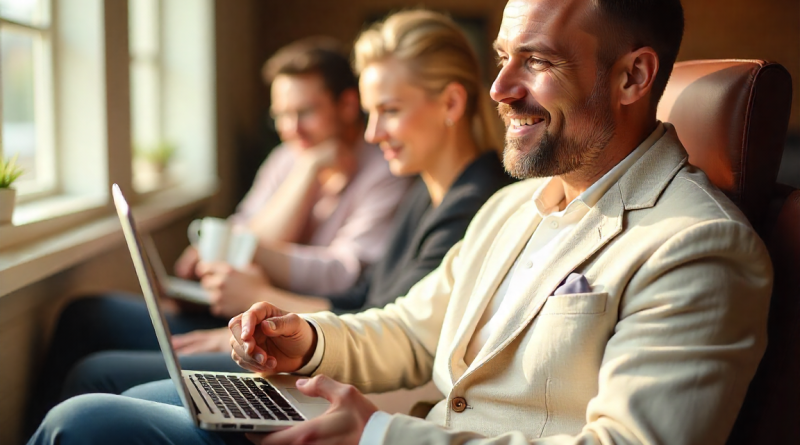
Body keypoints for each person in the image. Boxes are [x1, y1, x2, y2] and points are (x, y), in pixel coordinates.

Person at [30, 1, 774, 444]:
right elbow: (414, 330)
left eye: (538, 62)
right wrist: (308, 337)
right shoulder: (513, 205)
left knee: (86, 420)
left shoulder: (697, 246)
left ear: (634, 76)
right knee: (131, 402)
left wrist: (379, 434)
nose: (499, 88)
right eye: (502, 57)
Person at [39, 9, 514, 402]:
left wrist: (275, 321)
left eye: (389, 111)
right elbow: (368, 301)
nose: (372, 133)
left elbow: (395, 334)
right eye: (373, 113)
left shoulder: (474, 204)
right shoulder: (425, 192)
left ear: (451, 104)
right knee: (90, 336)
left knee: (97, 378)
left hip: (333, 375)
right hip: (315, 347)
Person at [24, 36, 411, 437]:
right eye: (281, 115)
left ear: (347, 105)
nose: (291, 128)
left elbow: (343, 273)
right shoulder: (288, 156)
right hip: (229, 307)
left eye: (305, 112)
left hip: (276, 330)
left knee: (95, 372)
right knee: (84, 314)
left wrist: (304, 176)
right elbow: (243, 228)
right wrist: (223, 249)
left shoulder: (382, 173)